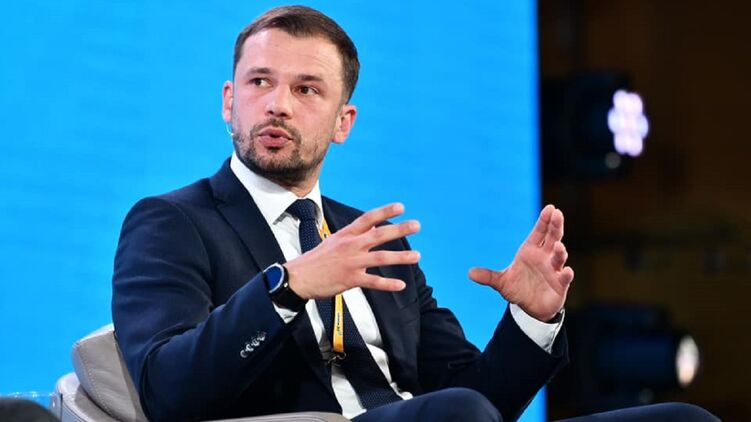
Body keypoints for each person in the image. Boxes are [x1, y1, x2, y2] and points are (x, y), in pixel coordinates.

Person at [112, 6, 717, 422]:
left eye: (306, 89)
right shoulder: (173, 222)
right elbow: (168, 391)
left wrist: (531, 320)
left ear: (343, 122)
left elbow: (483, 401)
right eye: (259, 83)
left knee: (684, 419)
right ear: (229, 102)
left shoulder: (374, 240)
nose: (277, 105)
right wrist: (288, 287)